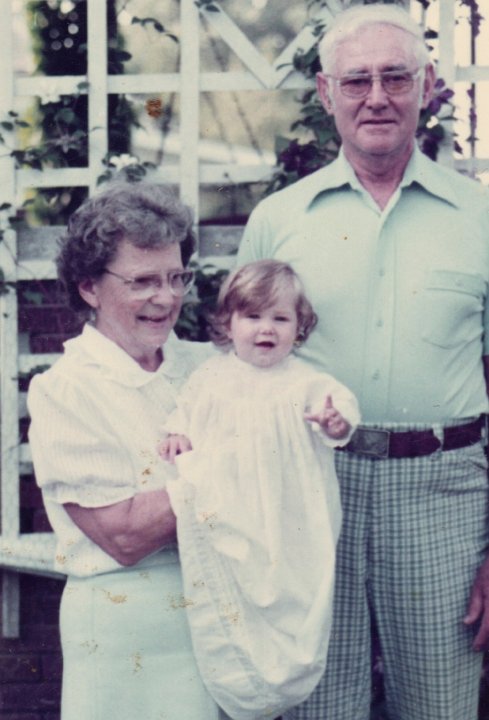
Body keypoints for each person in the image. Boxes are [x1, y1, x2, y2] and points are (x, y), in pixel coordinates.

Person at [236, 5, 489, 720]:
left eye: (394, 78)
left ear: (427, 86)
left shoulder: (479, 219)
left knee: (441, 706)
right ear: (325, 94)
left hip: (445, 493)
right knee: (317, 705)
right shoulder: (277, 221)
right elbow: (243, 383)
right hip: (314, 486)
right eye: (355, 81)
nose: (374, 97)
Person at [27, 182, 222, 720]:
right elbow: (124, 535)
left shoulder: (211, 370)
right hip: (124, 631)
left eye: (176, 277)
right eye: (143, 282)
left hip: (224, 626)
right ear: (89, 287)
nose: (167, 298)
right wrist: (231, 466)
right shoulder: (66, 389)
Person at [158, 259, 360, 720]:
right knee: (236, 587)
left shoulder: (305, 382)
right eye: (253, 316)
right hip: (232, 512)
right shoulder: (210, 378)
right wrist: (177, 436)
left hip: (290, 517)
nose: (265, 328)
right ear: (228, 322)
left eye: (280, 318)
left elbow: (338, 411)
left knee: (290, 589)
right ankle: (243, 684)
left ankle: (280, 678)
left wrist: (335, 420)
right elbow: (183, 417)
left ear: (299, 327)